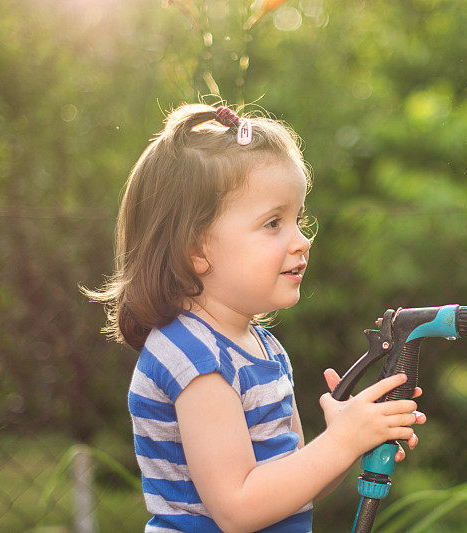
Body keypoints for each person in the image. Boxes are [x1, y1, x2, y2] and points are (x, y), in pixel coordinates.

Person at [81, 102, 425, 532]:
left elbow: (291, 489)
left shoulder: (262, 348)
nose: (301, 241)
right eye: (272, 223)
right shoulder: (196, 357)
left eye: (297, 219)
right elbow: (239, 508)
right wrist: (340, 441)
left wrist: (348, 441)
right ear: (197, 249)